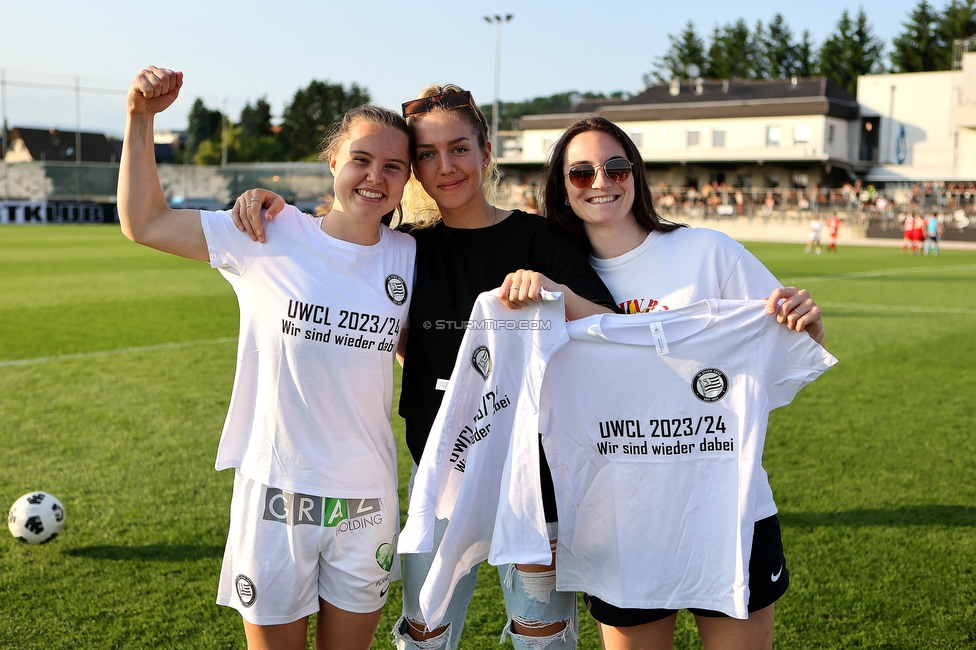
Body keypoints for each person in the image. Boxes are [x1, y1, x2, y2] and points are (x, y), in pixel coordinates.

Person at [235, 85, 618, 650]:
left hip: (536, 485)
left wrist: (553, 290)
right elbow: (341, 262)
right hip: (440, 478)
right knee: (424, 638)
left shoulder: (539, 240)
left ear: (487, 152)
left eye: (459, 148)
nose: (446, 166)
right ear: (413, 170)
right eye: (427, 154)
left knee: (545, 640)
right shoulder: (406, 250)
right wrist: (277, 211)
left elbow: (609, 327)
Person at [118, 66, 415, 650]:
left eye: (393, 167)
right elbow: (145, 221)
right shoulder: (266, 234)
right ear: (331, 162)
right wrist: (140, 117)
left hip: (367, 501)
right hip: (276, 496)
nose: (374, 177)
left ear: (407, 180)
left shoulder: (411, 256)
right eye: (361, 159)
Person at [528, 116, 825, 650]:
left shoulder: (708, 251)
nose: (602, 181)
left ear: (636, 175)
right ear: (560, 187)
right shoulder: (548, 286)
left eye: (616, 167)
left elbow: (780, 362)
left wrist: (806, 320)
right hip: (619, 522)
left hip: (729, 510)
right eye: (581, 172)